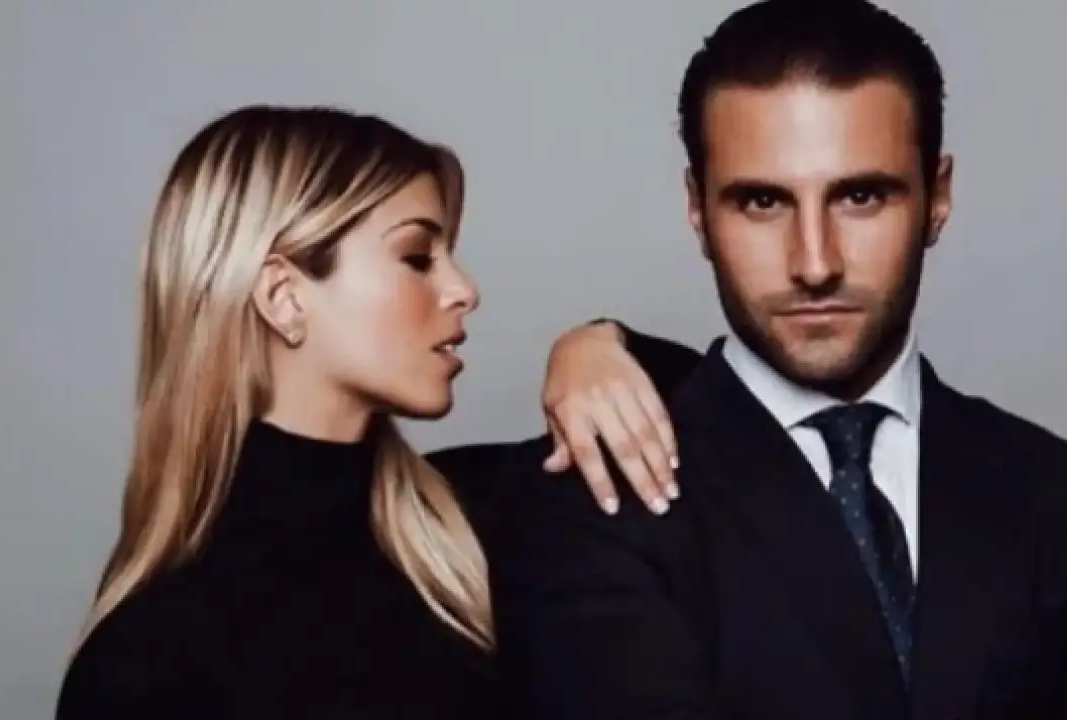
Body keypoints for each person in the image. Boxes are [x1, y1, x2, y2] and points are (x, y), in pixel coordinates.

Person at [490, 2, 1067, 718]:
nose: (815, 263)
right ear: (697, 210)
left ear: (938, 197)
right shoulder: (595, 501)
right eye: (762, 203)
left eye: (861, 196)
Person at [53, 105, 698, 719]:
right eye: (417, 258)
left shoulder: (474, 519)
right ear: (283, 297)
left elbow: (717, 417)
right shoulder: (146, 659)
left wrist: (595, 347)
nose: (464, 290)